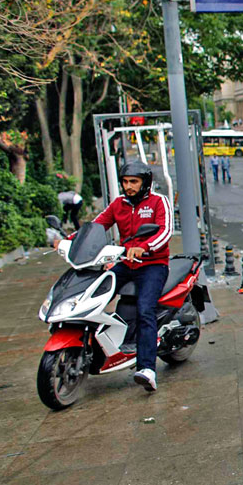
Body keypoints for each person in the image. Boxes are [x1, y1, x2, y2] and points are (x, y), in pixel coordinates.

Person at [89, 161, 172, 392]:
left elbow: (166, 232)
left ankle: (147, 369)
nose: (129, 187)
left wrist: (145, 247)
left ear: (145, 183)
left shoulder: (158, 201)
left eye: (134, 182)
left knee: (145, 309)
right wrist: (70, 240)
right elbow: (97, 226)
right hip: (125, 263)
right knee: (93, 295)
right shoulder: (118, 204)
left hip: (153, 264)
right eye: (125, 182)